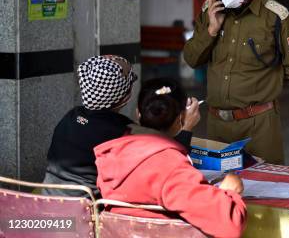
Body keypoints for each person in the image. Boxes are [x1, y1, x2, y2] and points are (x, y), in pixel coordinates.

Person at [184, 0, 289, 164]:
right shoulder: (210, 11)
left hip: (258, 123)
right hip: (217, 123)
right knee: (219, 186)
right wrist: (212, 30)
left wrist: (266, 82)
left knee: (266, 187)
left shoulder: (274, 15)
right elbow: (191, 59)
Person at [94, 78, 247, 238]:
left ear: (138, 113)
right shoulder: (169, 166)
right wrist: (229, 192)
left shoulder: (111, 153)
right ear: (182, 117)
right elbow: (229, 225)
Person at [42, 56, 200, 197]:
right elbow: (169, 164)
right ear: (125, 96)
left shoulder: (70, 116)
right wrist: (186, 127)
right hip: (85, 213)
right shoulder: (124, 132)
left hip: (44, 200)